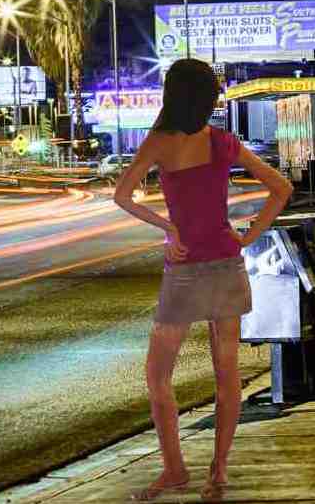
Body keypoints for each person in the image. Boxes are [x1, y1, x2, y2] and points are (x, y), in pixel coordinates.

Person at [113, 59, 292, 501]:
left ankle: (175, 470)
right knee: (227, 374)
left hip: (186, 268)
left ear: (172, 95)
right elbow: (281, 188)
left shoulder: (159, 141)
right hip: (227, 263)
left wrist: (168, 228)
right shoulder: (222, 141)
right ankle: (219, 471)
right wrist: (248, 235)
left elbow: (121, 195)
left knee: (158, 376)